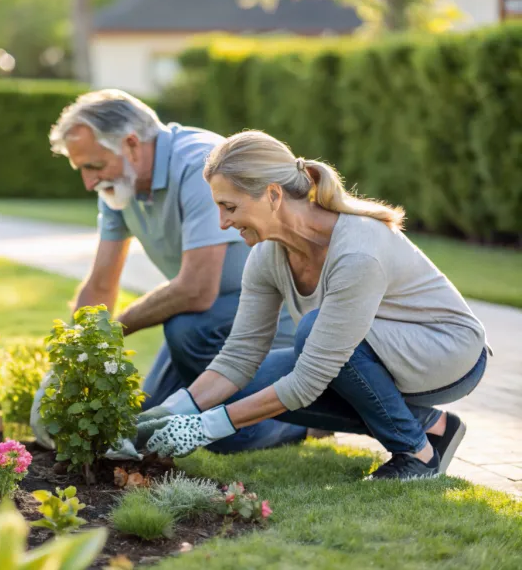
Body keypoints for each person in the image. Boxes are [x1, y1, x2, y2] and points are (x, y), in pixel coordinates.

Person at [137, 130, 490, 480]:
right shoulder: (266, 255)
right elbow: (240, 354)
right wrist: (172, 409)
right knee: (250, 387)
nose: (222, 222)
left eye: (229, 207)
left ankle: (416, 452)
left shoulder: (356, 252)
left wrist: (203, 427)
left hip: (447, 355)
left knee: (311, 337)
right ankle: (430, 425)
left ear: (273, 195)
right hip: (378, 352)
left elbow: (308, 380)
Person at [30, 89, 309, 453]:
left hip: (271, 325)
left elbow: (196, 289)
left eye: (94, 167)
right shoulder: (121, 185)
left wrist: (108, 335)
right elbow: (100, 284)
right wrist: (70, 356)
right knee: (147, 421)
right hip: (212, 319)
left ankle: (299, 423)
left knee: (219, 432)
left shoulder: (200, 165)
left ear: (131, 144)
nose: (88, 182)